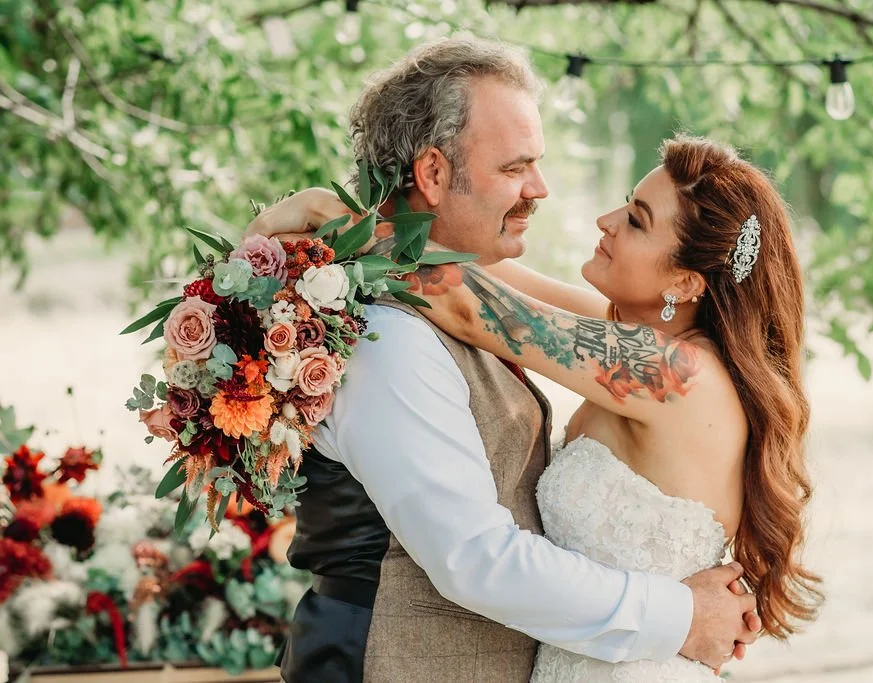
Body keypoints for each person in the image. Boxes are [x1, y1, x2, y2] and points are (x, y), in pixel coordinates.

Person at [247, 38, 759, 683]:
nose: (596, 215)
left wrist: (343, 223)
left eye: (634, 219)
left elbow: (472, 306)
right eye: (517, 166)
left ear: (686, 283)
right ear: (433, 173)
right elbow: (493, 289)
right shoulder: (398, 334)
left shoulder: (670, 372)